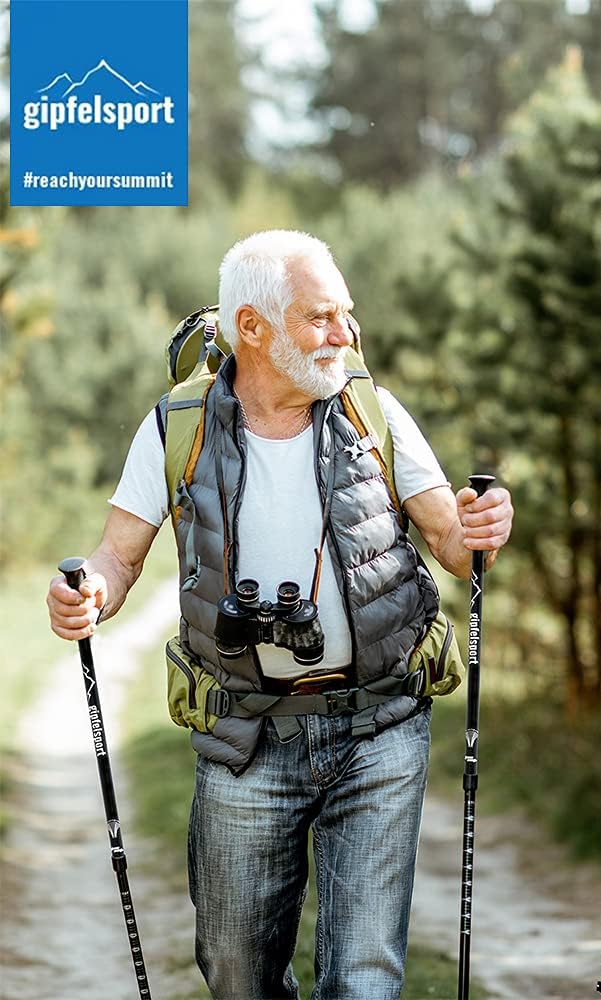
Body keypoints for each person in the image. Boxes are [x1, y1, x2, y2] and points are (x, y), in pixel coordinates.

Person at [46, 229, 514, 1000]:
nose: (345, 334)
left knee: (363, 980)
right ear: (252, 328)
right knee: (237, 975)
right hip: (243, 733)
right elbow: (117, 558)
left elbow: (455, 545)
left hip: (380, 725)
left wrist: (487, 525)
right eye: (320, 317)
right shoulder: (178, 426)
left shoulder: (373, 412)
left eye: (345, 314)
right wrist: (85, 593)